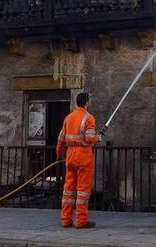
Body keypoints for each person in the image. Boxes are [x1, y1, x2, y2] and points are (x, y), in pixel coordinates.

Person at [57, 91, 101, 229]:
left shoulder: (68, 118)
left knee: (68, 189)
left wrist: (60, 154)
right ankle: (81, 220)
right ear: (87, 102)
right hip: (83, 156)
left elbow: (61, 139)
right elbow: (89, 138)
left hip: (70, 155)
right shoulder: (89, 118)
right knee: (83, 190)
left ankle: (65, 219)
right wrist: (98, 138)